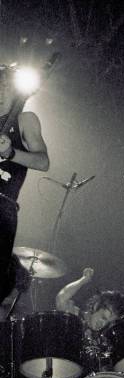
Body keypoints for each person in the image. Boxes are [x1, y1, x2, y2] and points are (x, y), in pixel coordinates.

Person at [0, 65, 49, 303]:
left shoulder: (25, 120)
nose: (0, 91)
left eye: (6, 86)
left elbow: (43, 161)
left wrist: (10, 153)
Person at [56, 268, 124, 371]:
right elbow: (61, 298)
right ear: (96, 306)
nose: (103, 323)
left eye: (108, 322)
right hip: (66, 375)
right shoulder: (75, 315)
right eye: (103, 317)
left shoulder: (105, 338)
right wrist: (84, 279)